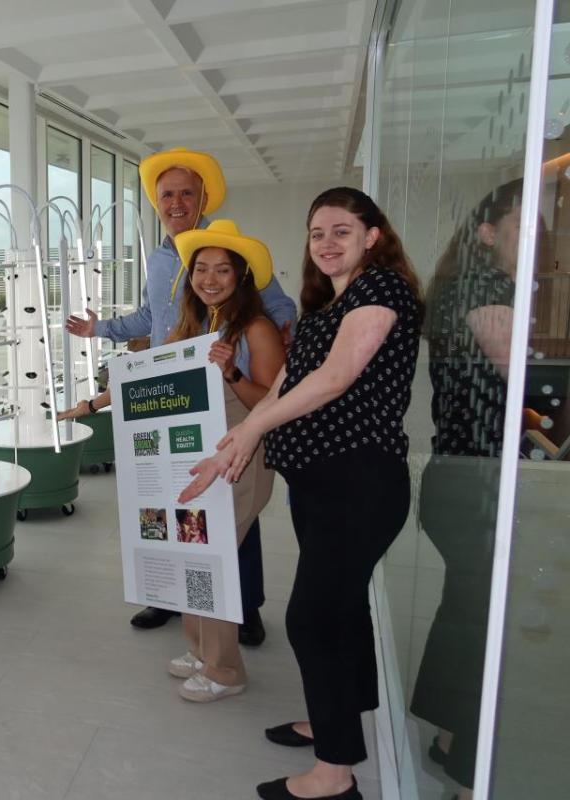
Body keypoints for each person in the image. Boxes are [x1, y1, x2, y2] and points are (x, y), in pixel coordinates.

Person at [179, 187, 423, 800]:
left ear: (372, 235)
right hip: (318, 485)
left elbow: (335, 380)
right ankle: (335, 717)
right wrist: (230, 448)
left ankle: (335, 774)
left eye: (342, 230)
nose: (327, 243)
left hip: (358, 482)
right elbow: (286, 385)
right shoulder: (323, 305)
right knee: (342, 611)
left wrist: (249, 430)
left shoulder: (382, 291)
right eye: (317, 233)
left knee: (312, 619)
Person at [66, 147, 296, 642]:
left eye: (185, 193)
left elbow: (275, 303)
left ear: (202, 198)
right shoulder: (159, 259)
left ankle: (245, 606)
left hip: (225, 396)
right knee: (167, 496)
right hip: (169, 393)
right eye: (166, 194)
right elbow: (150, 319)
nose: (175, 202)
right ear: (156, 201)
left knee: (233, 505)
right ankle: (168, 596)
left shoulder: (219, 246)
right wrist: (99, 328)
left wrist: (287, 331)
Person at [410, 180, 528, 800]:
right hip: (478, 485)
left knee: (467, 615)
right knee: (485, 628)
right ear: (487, 232)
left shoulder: (472, 286)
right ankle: (465, 781)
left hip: (465, 481)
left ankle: (451, 740)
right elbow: (525, 385)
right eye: (523, 218)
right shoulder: (485, 290)